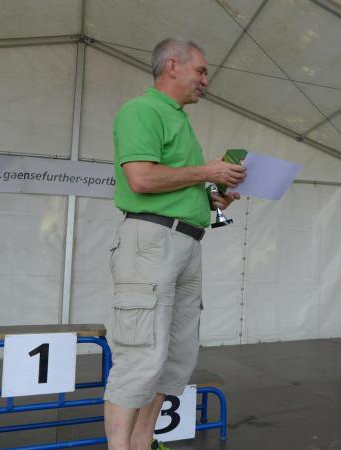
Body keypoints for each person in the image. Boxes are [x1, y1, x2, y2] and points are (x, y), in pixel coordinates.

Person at [104, 37, 246, 450]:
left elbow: (174, 183)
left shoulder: (179, 120)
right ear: (172, 66)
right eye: (200, 70)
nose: (205, 79)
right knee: (139, 356)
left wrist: (210, 197)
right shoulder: (142, 110)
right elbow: (141, 178)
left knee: (174, 359)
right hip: (151, 240)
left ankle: (143, 442)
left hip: (186, 241)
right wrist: (207, 171)